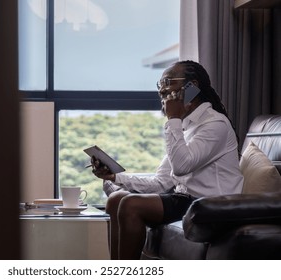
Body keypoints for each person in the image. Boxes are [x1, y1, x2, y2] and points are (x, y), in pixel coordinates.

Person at [90, 60, 244, 260]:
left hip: (211, 205)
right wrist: (115, 177)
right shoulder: (187, 127)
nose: (162, 90)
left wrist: (173, 119)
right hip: (186, 201)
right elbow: (161, 182)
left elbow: (181, 167)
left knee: (131, 205)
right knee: (116, 199)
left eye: (168, 82)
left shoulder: (215, 124)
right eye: (160, 84)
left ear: (192, 87)